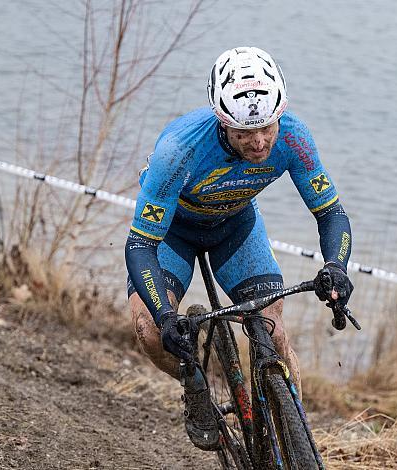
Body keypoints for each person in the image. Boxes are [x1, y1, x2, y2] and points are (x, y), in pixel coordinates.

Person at [125, 46, 354, 451]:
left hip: (234, 227)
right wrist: (165, 314)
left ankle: (297, 441)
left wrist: (336, 266)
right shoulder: (179, 151)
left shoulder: (294, 137)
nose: (261, 141)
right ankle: (194, 384)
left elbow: (332, 214)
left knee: (273, 331)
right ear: (222, 121)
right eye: (245, 133)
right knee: (150, 330)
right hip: (172, 235)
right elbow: (141, 244)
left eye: (268, 127)